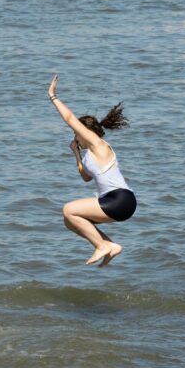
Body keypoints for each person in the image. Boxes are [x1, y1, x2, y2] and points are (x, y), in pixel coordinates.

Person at [48, 74, 136, 267]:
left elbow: (70, 118)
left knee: (68, 209)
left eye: (76, 134)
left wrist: (53, 96)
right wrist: (76, 154)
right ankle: (109, 245)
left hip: (120, 199)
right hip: (114, 202)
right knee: (70, 221)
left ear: (84, 133)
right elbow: (86, 177)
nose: (75, 138)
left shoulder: (99, 145)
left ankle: (101, 246)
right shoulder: (90, 155)